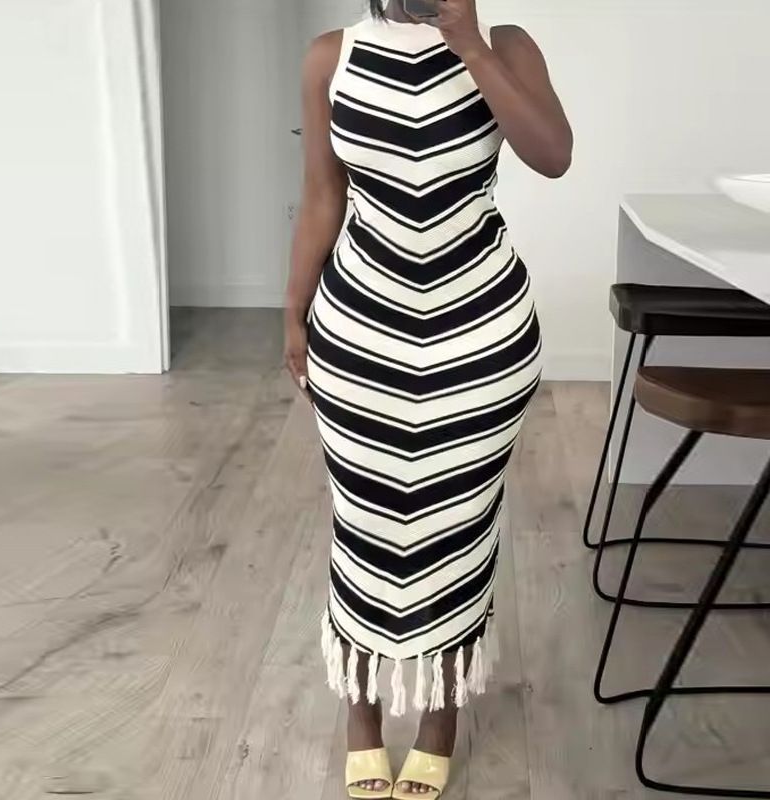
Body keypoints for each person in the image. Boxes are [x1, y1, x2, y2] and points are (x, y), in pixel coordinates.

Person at [284, 1, 572, 796]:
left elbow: (553, 155)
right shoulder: (331, 56)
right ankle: (362, 717)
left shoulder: (506, 46)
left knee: (461, 529)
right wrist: (293, 312)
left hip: (483, 339)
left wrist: (468, 44)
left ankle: (441, 716)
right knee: (362, 525)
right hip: (358, 334)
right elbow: (322, 197)